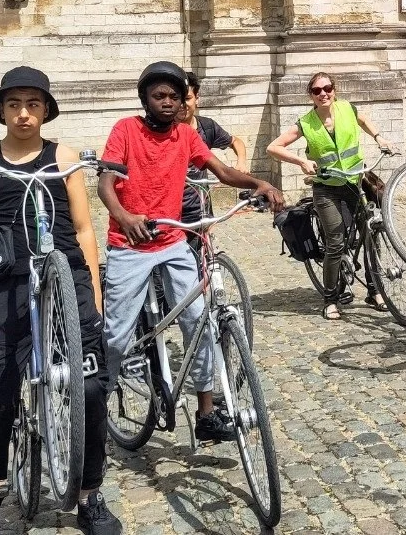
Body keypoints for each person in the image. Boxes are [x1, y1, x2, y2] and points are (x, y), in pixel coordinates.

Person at [0, 67, 122, 535]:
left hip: (67, 281)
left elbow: (84, 230)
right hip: (6, 288)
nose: (24, 114)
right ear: (2, 111)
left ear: (45, 110)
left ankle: (88, 495)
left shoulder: (61, 157)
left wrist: (94, 300)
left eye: (33, 104)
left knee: (91, 388)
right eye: (14, 105)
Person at [99, 61, 284, 444]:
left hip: (172, 241)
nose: (167, 102)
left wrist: (258, 182)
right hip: (129, 245)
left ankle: (205, 413)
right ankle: (95, 407)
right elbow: (106, 183)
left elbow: (221, 171)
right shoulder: (125, 129)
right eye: (159, 96)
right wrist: (124, 215)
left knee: (199, 322)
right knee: (116, 336)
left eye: (174, 96)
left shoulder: (185, 136)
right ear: (145, 99)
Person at [266, 72, 393, 321]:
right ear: (311, 95)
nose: (323, 93)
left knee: (370, 234)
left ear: (334, 89)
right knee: (335, 241)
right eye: (317, 90)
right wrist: (301, 160)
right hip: (325, 187)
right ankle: (330, 299)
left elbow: (364, 120)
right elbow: (273, 147)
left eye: (328, 88)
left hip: (354, 182)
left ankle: (374, 290)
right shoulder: (307, 122)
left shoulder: (346, 108)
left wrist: (379, 137)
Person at [179, 70, 248, 227]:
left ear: (197, 99)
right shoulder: (165, 131)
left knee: (205, 247)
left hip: (200, 205)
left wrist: (241, 163)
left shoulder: (207, 127)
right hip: (173, 208)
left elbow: (236, 141)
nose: (183, 105)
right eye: (178, 99)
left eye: (187, 99)